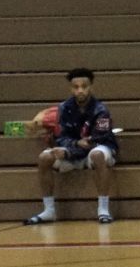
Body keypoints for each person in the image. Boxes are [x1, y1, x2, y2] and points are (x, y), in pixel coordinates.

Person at [25, 69, 119, 225]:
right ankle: (49, 210)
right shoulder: (63, 108)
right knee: (44, 157)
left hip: (98, 148)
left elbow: (99, 137)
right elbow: (62, 136)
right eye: (76, 87)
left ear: (91, 87)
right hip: (73, 151)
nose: (80, 90)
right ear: (71, 88)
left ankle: (103, 210)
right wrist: (69, 147)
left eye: (84, 86)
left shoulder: (102, 110)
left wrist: (70, 150)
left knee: (97, 155)